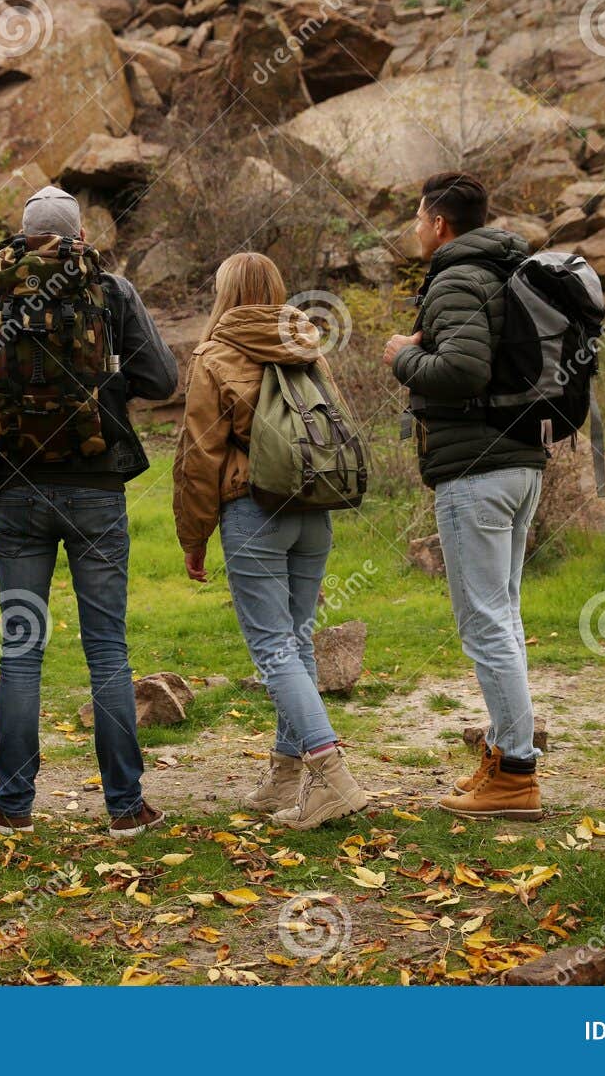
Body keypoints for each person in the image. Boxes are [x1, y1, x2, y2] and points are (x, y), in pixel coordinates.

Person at [0, 186, 178, 839]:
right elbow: (163, 380)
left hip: (16, 489)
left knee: (21, 649)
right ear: (77, 236)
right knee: (107, 650)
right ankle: (126, 806)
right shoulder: (112, 290)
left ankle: (11, 804)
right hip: (97, 488)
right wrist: (101, 386)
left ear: (21, 234)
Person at [172, 252, 369, 829]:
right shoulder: (306, 342)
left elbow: (199, 455)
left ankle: (331, 773)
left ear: (224, 293)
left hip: (253, 510)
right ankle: (287, 777)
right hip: (314, 511)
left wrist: (194, 535)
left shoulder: (214, 354)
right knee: (298, 640)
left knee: (273, 648)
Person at [382, 172, 545, 821]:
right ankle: (507, 756)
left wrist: (401, 355)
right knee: (501, 615)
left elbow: (462, 371)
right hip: (520, 462)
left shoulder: (456, 278)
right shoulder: (508, 270)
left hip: (476, 469)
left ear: (439, 224)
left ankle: (516, 775)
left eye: (419, 218)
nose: (416, 229)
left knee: (483, 622)